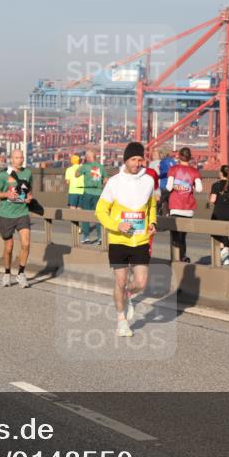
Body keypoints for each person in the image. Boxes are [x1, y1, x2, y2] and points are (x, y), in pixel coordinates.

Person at [96, 142, 158, 337]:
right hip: (118, 240)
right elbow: (100, 211)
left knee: (140, 282)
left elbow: (151, 206)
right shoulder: (114, 182)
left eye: (140, 159)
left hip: (140, 240)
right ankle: (121, 321)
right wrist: (117, 225)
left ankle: (128, 296)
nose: (137, 163)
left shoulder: (148, 181)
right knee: (120, 282)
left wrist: (153, 222)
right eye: (133, 159)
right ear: (126, 160)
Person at [0, 148, 33, 287]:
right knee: (9, 247)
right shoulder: (3, 175)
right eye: (16, 158)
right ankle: (7, 273)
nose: (19, 160)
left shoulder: (28, 173)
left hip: (22, 213)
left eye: (21, 157)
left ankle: (21, 274)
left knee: (26, 244)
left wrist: (29, 198)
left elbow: (28, 191)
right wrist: (6, 195)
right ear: (11, 159)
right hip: (6, 214)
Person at [166, 147, 202, 263]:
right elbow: (200, 189)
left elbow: (168, 187)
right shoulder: (194, 171)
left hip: (175, 206)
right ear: (189, 157)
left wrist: (176, 186)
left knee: (175, 235)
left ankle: (176, 258)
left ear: (179, 156)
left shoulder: (173, 169)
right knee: (183, 236)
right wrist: (190, 186)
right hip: (188, 207)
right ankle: (182, 256)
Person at [208, 165, 229, 266]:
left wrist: (211, 200)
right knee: (225, 233)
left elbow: (212, 200)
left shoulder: (216, 185)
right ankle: (225, 257)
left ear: (221, 173)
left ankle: (224, 250)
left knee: (215, 232)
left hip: (219, 212)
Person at [76, 149, 106, 244]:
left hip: (88, 193)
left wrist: (81, 165)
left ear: (88, 157)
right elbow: (105, 180)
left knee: (86, 215)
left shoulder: (85, 166)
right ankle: (100, 237)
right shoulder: (101, 167)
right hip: (98, 193)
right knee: (98, 215)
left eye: (86, 157)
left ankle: (86, 237)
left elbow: (76, 175)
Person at [157, 149, 177, 215]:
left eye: (159, 154)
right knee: (170, 200)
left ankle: (160, 215)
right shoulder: (173, 161)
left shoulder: (163, 162)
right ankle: (169, 214)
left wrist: (158, 176)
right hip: (173, 184)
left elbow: (165, 172)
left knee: (162, 201)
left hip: (165, 184)